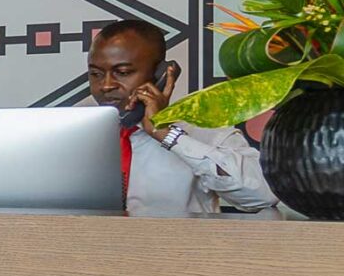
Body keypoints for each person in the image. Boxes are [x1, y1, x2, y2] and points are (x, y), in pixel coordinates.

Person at [85, 20, 277, 217]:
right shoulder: (81, 137)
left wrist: (168, 136)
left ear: (160, 75)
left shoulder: (203, 131)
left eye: (123, 72)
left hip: (180, 247)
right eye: (96, 74)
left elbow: (262, 196)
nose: (106, 85)